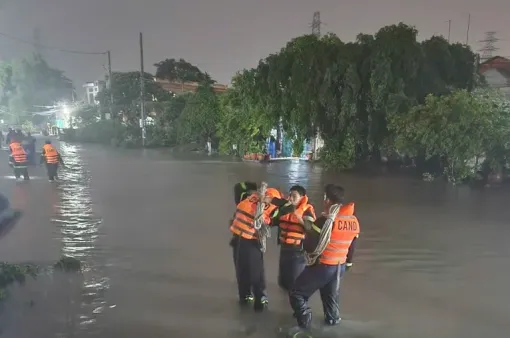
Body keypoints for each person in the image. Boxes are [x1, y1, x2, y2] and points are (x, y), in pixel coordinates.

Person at [289, 184, 360, 330]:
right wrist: (348, 265)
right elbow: (351, 247)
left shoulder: (324, 221)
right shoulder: (353, 221)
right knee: (330, 300)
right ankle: (333, 325)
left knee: (297, 293)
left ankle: (304, 324)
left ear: (327, 199)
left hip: (323, 266)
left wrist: (304, 245)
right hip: (339, 267)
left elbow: (310, 245)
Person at [229, 185, 293, 312]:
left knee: (242, 269)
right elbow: (290, 207)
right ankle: (260, 298)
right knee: (256, 270)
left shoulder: (250, 198)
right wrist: (271, 201)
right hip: (250, 239)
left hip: (237, 236)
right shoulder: (270, 205)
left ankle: (245, 296)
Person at [276, 185, 316, 291]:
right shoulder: (286, 208)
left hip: (298, 250)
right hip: (284, 247)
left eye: (294, 196)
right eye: (290, 195)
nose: (291, 198)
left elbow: (311, 229)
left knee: (295, 282)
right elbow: (276, 221)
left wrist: (299, 218)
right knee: (283, 282)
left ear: (302, 198)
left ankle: (294, 303)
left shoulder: (307, 210)